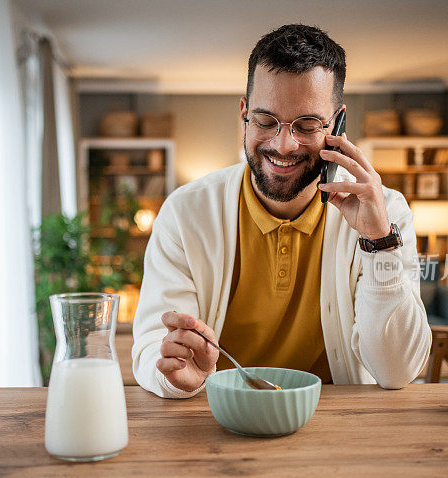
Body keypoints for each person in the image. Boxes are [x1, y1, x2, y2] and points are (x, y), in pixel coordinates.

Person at [131, 24, 431, 398]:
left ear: (337, 123)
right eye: (265, 120)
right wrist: (175, 376)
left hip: (338, 427)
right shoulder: (185, 211)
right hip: (220, 414)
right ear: (244, 112)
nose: (283, 144)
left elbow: (397, 370)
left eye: (306, 124)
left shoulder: (384, 213)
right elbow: (149, 346)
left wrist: (378, 241)